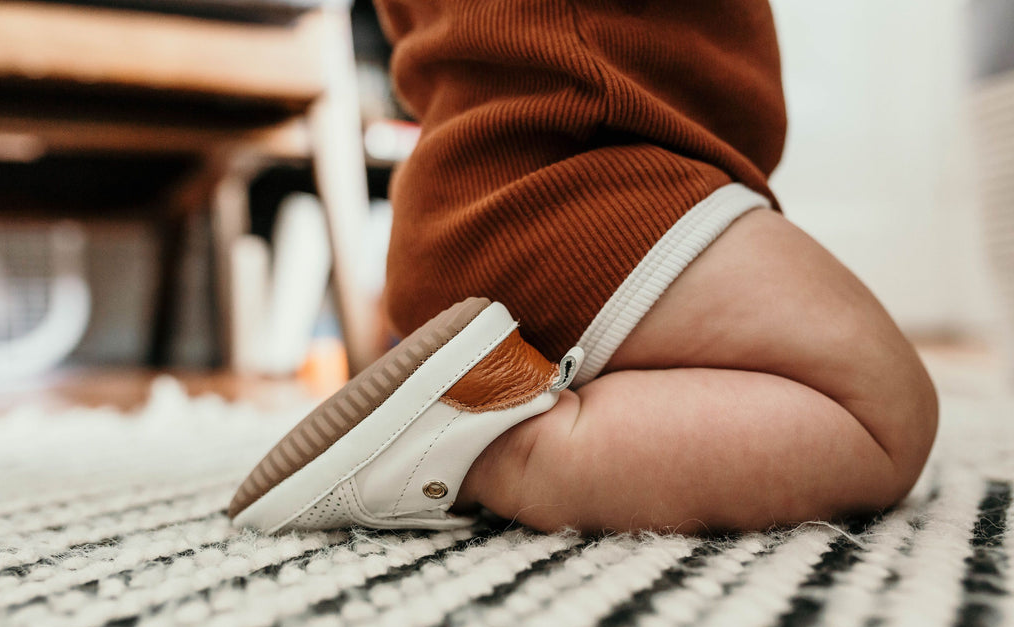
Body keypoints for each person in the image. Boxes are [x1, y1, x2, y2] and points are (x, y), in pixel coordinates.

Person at [227, 1, 938, 535]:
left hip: (477, 188)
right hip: (588, 172)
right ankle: (503, 445)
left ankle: (484, 382)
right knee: (881, 410)